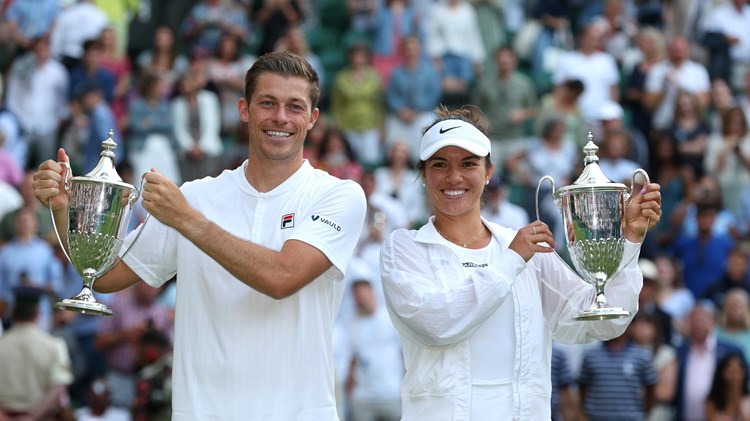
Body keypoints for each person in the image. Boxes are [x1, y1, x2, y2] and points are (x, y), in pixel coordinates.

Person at [33, 51, 368, 419]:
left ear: (313, 119)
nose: (280, 118)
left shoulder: (339, 195)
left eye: (295, 107)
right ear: (244, 109)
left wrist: (189, 221)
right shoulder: (194, 197)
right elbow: (106, 276)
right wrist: (64, 209)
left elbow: (281, 277)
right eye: (267, 103)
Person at [379, 104, 662, 419]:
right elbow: (438, 325)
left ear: (488, 173)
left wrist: (630, 241)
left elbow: (600, 322)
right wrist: (511, 259)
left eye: (468, 163)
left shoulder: (525, 248)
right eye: (440, 164)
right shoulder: (405, 247)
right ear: (423, 174)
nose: (454, 176)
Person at [0, 287, 74, 419]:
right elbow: (58, 387)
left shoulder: (2, 343)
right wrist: (32, 416)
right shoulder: (54, 346)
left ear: (13, 313)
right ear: (37, 314)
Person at [705, 353, 750, 421]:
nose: (735, 376)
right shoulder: (713, 400)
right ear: (722, 372)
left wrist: (737, 402)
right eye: (731, 371)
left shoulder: (747, 399)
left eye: (738, 371)